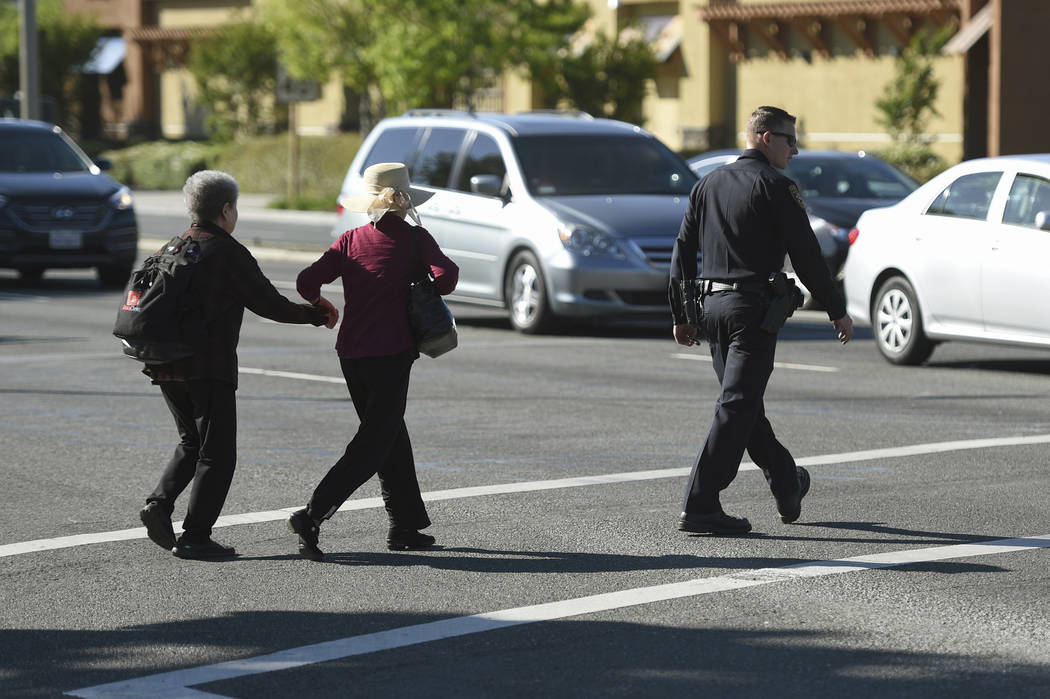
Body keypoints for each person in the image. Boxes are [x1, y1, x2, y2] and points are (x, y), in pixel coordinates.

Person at [668, 106, 853, 535]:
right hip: (750, 314)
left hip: (712, 312)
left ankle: (788, 481)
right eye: (790, 140)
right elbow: (807, 255)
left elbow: (682, 250)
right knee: (736, 406)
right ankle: (701, 504)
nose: (796, 149)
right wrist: (837, 309)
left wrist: (683, 312)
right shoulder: (776, 186)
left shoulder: (708, 184)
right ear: (766, 138)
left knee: (744, 407)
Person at [138, 170, 338, 559]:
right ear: (226, 209)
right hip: (207, 366)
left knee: (190, 442)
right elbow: (269, 304)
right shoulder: (226, 251)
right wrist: (316, 315)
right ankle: (196, 536)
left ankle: (159, 505)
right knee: (217, 453)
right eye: (236, 207)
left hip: (164, 363)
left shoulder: (174, 246)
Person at [287, 162, 459, 562]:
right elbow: (447, 276)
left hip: (351, 354)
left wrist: (321, 304)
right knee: (374, 442)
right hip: (392, 353)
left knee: (389, 434)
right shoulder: (416, 239)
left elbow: (305, 282)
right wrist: (420, 283)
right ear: (405, 202)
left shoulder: (349, 241)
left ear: (370, 204)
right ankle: (312, 515)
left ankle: (405, 526)